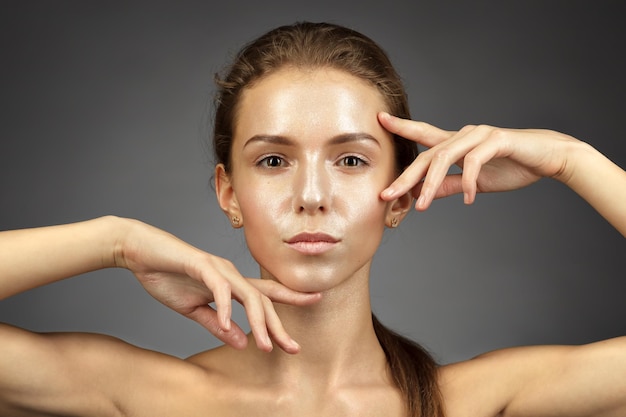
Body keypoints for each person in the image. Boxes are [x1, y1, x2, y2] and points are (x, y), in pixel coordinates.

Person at [1, 21, 625, 417]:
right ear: (229, 194)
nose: (312, 195)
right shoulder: (149, 398)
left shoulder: (477, 403)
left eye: (351, 159)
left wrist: (573, 160)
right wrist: (117, 241)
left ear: (403, 192)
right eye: (273, 160)